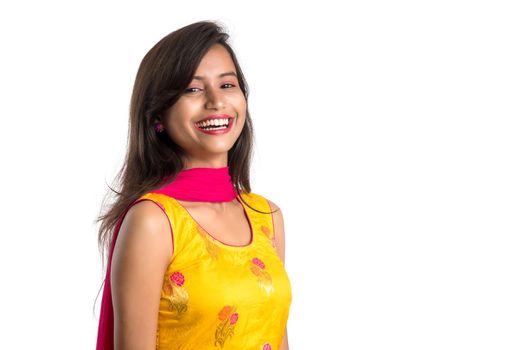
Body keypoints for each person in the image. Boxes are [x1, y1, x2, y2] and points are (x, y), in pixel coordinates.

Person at [95, 20, 292, 350]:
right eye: (193, 89)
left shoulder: (266, 217)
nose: (216, 102)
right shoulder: (154, 221)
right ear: (157, 116)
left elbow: (274, 335)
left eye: (227, 85)